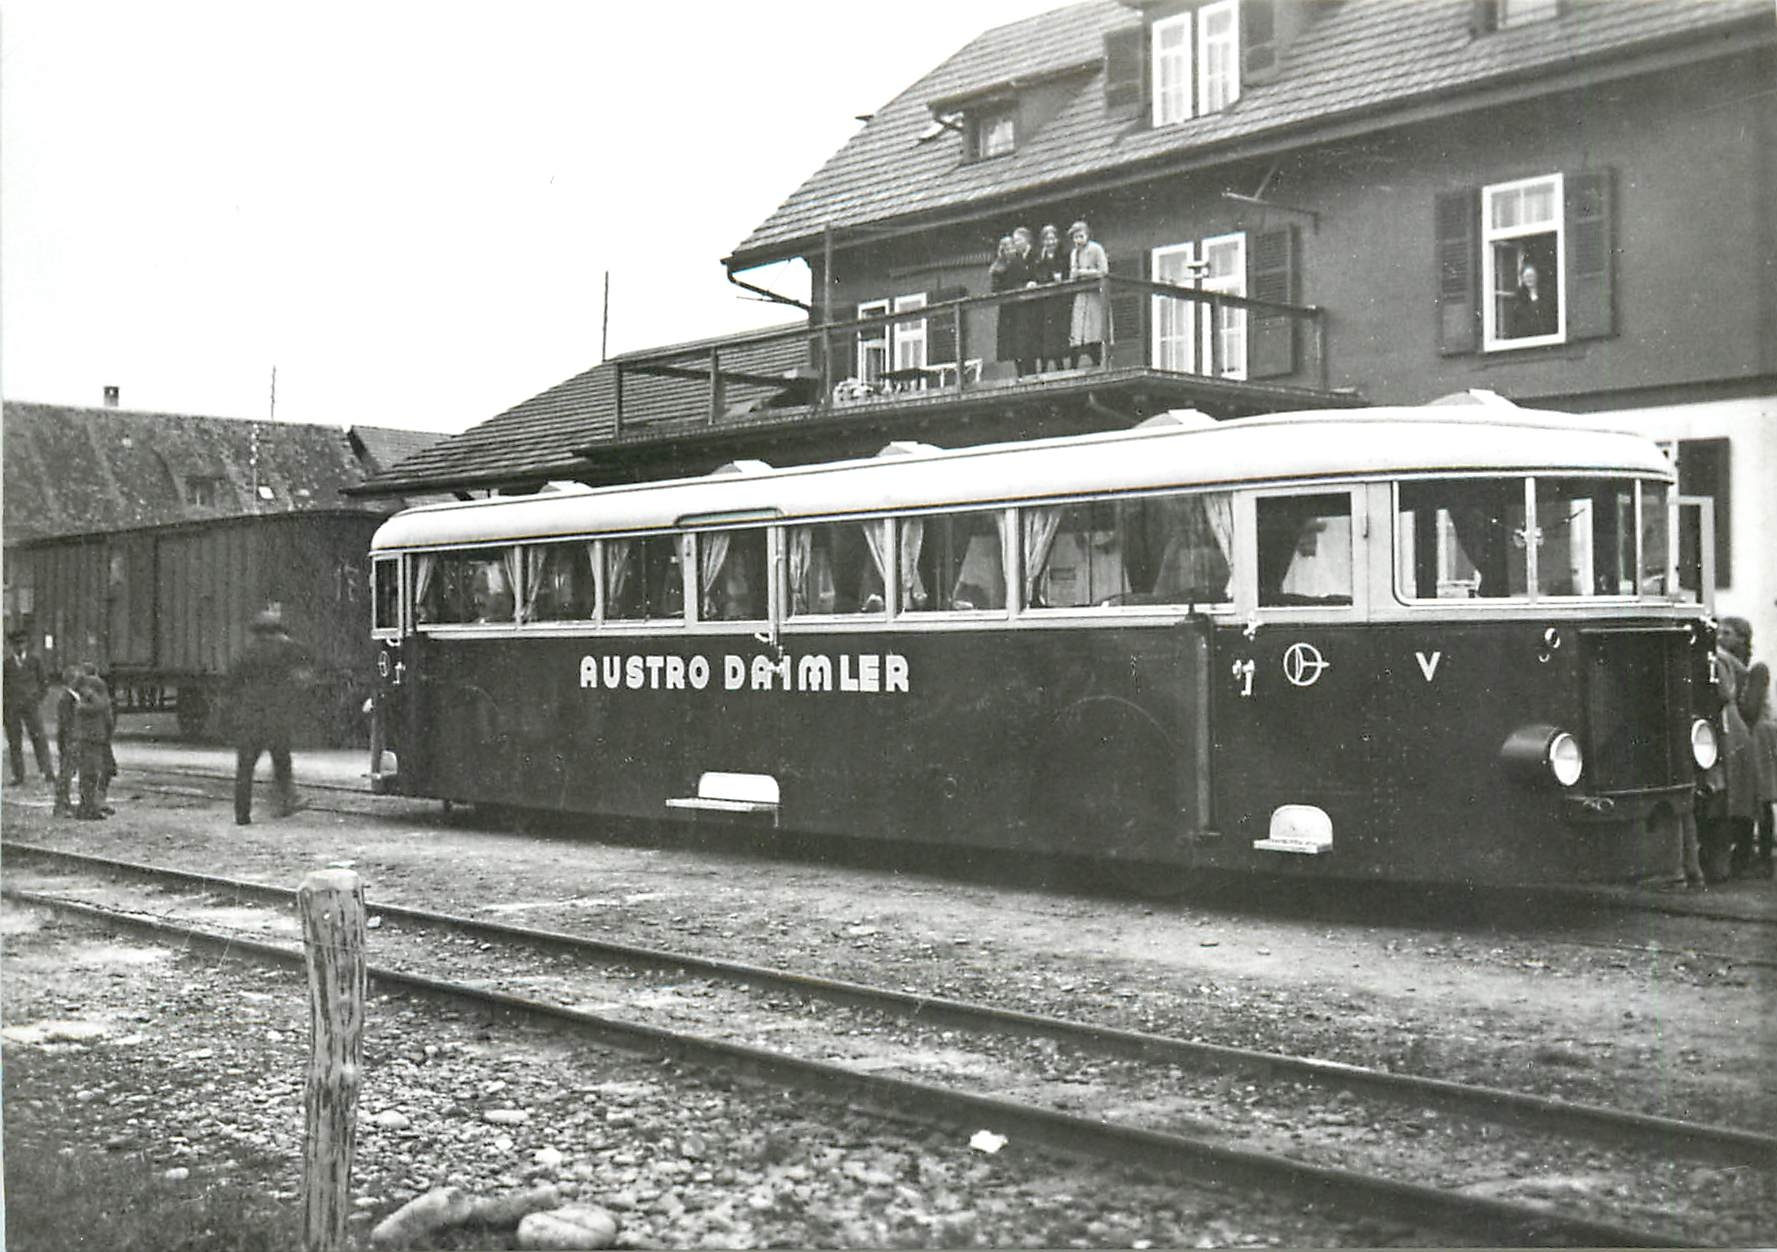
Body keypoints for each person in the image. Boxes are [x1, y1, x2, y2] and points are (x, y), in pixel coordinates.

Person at [226, 609, 312, 825]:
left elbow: (231, 684)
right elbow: (309, 657)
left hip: (249, 719)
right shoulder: (286, 648)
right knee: (282, 761)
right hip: (275, 718)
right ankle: (286, 801)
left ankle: (242, 816)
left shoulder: (247, 652)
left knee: (244, 769)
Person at [1721, 616, 1776, 877]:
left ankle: (1763, 854)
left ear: (1742, 638)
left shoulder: (1756, 670)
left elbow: (1751, 710)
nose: (1721, 637)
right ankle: (1748, 852)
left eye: (1728, 633)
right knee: (1748, 794)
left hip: (1760, 737)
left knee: (1761, 795)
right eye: (1720, 632)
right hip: (1747, 737)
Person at [4, 628, 57, 787]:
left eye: (22, 643)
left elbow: (44, 684)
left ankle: (47, 772)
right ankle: (18, 775)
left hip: (31, 706)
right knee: (14, 742)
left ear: (26, 644)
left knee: (39, 738)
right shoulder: (6, 665)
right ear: (12, 646)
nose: (20, 647)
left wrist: (36, 699)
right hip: (12, 709)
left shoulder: (35, 662)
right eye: (16, 644)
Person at [72, 668, 114, 821]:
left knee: (92, 773)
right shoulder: (87, 703)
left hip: (96, 739)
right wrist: (91, 693)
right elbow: (101, 706)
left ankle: (90, 805)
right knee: (89, 773)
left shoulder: (85, 703)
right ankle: (88, 808)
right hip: (92, 739)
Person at [1067, 220, 1110, 368]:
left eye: (1081, 236)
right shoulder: (1074, 253)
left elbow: (1104, 271)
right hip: (1081, 295)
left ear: (1087, 235)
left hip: (1094, 294)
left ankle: (1098, 362)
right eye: (1075, 237)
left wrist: (1084, 272)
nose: (1078, 240)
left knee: (1095, 329)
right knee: (1079, 330)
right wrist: (1073, 274)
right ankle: (1076, 365)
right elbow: (1073, 273)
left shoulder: (1096, 249)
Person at [1029, 224, 1070, 372]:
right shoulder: (1039, 258)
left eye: (1053, 239)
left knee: (1060, 333)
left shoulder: (1064, 256)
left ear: (1057, 240)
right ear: (1043, 241)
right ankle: (1045, 366)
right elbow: (1036, 275)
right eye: (1047, 239)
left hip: (1061, 301)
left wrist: (1061, 278)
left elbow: (1069, 272)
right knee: (1045, 334)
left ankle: (1062, 365)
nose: (1050, 242)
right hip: (1045, 301)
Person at [988, 235, 1027, 376]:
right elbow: (995, 289)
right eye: (1006, 248)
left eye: (1011, 246)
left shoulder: (1020, 260)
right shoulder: (999, 266)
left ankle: (1026, 370)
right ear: (1002, 250)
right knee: (1013, 341)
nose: (1009, 250)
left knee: (1024, 337)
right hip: (1008, 308)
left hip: (1021, 305)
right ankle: (1019, 372)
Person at [52, 666, 79, 817]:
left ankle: (64, 803)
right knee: (66, 773)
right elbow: (65, 723)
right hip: (70, 740)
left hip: (73, 739)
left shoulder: (72, 697)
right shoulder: (66, 699)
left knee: (69, 772)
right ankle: (60, 805)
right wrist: (68, 741)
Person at [1505, 262, 1557, 339]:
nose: (1529, 279)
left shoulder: (1546, 297)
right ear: (1522, 279)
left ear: (1537, 277)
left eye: (1531, 276)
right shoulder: (1519, 300)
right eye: (1526, 276)